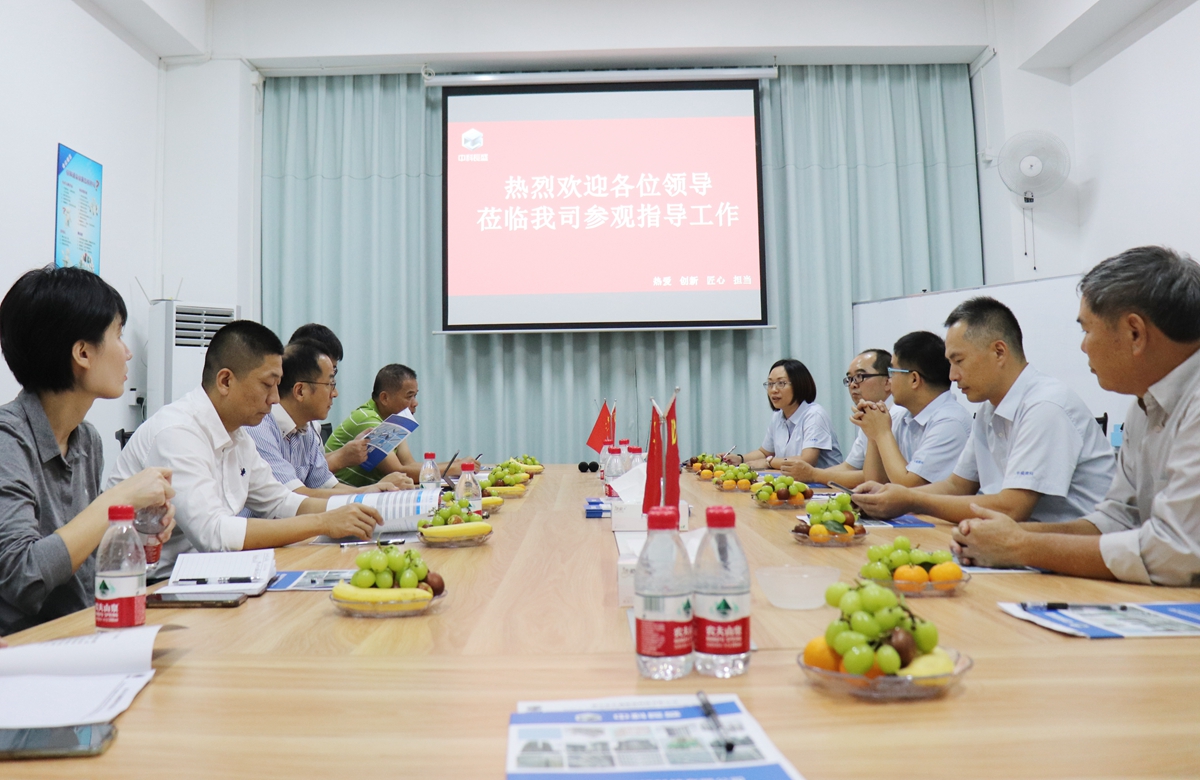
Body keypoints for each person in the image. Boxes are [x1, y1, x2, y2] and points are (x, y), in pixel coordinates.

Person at [953, 247, 1200, 585]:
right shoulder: (1144, 407)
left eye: (1086, 330)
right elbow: (1117, 520)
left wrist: (1020, 546)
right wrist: (1006, 536)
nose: (1083, 346)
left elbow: (1176, 551)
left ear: (1134, 333)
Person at [109, 321, 383, 577]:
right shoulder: (178, 432)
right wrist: (323, 522)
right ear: (226, 381)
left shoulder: (238, 435)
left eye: (278, 386)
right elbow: (214, 534)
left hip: (207, 574)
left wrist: (355, 510)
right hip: (147, 584)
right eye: (267, 385)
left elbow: (280, 501)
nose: (275, 398)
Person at [0, 267, 175, 633]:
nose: (128, 352)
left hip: (84, 629)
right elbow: (22, 575)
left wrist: (132, 532)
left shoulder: (86, 440)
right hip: (27, 646)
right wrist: (117, 501)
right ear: (82, 353)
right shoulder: (7, 439)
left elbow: (83, 560)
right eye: (118, 335)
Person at [852, 297, 1115, 523]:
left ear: (999, 352)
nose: (952, 376)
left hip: (1066, 548)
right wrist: (892, 496)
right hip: (1013, 541)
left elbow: (1012, 508)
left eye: (959, 361)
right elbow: (957, 485)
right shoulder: (989, 410)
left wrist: (911, 500)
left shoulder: (1044, 405)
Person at [245, 339, 413, 497]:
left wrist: (373, 491)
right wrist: (370, 492)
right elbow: (294, 496)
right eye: (330, 384)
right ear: (300, 391)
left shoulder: (305, 430)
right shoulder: (260, 429)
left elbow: (327, 486)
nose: (335, 393)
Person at [855, 331, 971, 487]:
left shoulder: (950, 422)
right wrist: (873, 435)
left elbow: (909, 487)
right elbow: (874, 482)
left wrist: (882, 433)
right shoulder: (901, 416)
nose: (889, 381)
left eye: (892, 372)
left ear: (914, 379)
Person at [325, 364, 473, 486]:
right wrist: (453, 468)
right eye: (409, 396)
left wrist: (454, 464)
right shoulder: (368, 420)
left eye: (415, 395)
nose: (415, 403)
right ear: (385, 398)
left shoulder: (392, 420)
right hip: (343, 497)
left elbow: (409, 464)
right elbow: (398, 471)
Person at [774, 349, 902, 487]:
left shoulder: (897, 415)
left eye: (860, 376)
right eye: (850, 379)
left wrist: (814, 475)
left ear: (887, 382)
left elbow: (879, 478)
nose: (853, 384)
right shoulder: (871, 414)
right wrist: (807, 474)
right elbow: (849, 467)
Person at [287, 323, 372, 474]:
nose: (334, 393)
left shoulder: (309, 425)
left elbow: (313, 470)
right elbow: (292, 484)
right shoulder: (266, 424)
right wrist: (342, 457)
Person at [730, 359, 842, 471]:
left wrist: (768, 462)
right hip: (794, 480)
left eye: (781, 383)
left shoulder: (814, 415)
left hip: (826, 481)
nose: (773, 390)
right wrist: (740, 459)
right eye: (770, 384)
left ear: (799, 385)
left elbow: (807, 461)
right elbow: (764, 452)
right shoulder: (778, 416)